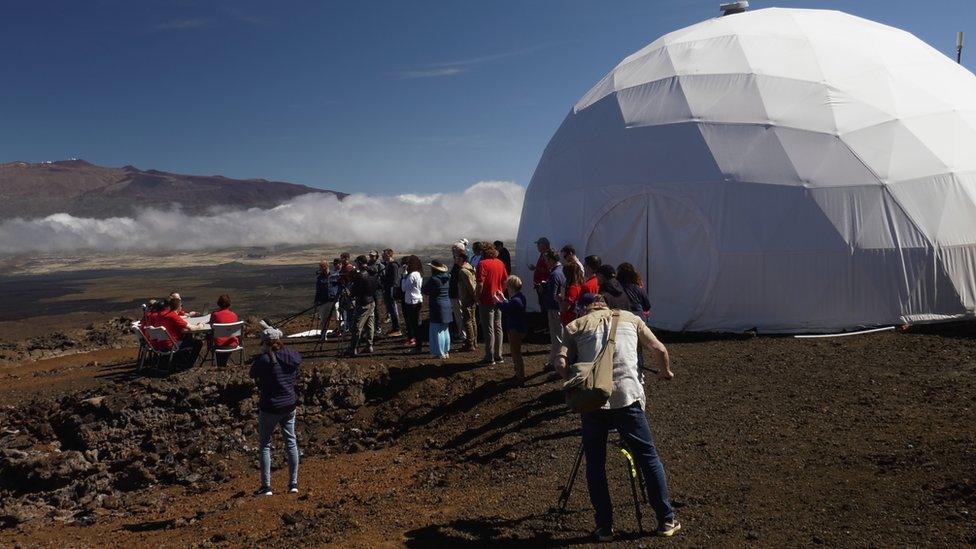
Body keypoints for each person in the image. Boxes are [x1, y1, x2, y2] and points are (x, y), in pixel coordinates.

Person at [556, 294, 679, 540]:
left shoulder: (575, 325)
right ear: (606, 305)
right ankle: (666, 520)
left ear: (585, 309)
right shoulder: (631, 319)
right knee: (648, 458)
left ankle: (604, 526)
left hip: (593, 401)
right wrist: (665, 372)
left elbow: (560, 362)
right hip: (627, 398)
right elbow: (659, 349)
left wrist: (574, 382)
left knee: (595, 465)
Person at [249, 324, 301, 496]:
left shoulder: (264, 360)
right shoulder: (291, 356)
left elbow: (252, 373)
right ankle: (293, 484)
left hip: (270, 407)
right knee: (291, 441)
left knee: (265, 445)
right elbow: (297, 360)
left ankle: (266, 486)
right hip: (289, 405)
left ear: (265, 342)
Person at [476, 243, 508, 364]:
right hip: (497, 299)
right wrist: (501, 291)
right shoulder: (500, 263)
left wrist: (477, 297)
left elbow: (480, 284)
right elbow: (505, 280)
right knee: (498, 326)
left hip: (486, 299)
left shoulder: (482, 264)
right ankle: (498, 355)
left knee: (488, 327)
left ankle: (489, 357)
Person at [148, 295, 203, 366]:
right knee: (198, 343)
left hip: (159, 345)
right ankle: (189, 363)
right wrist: (200, 325)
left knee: (186, 337)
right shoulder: (172, 315)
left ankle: (179, 360)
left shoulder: (159, 314)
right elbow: (192, 328)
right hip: (171, 345)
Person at [494, 275, 527, 382]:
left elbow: (507, 309)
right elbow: (509, 305)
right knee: (515, 351)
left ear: (511, 287)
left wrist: (498, 301)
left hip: (515, 329)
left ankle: (520, 375)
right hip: (518, 327)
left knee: (516, 352)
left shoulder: (516, 301)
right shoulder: (519, 297)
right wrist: (503, 299)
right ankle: (518, 373)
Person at [344, 255, 379, 356]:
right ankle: (369, 346)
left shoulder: (360, 276)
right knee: (370, 324)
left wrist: (349, 294)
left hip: (363, 303)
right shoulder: (373, 272)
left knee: (357, 326)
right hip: (371, 301)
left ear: (359, 263)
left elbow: (354, 292)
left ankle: (353, 348)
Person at [540, 250, 566, 370]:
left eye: (547, 260)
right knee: (560, 334)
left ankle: (555, 362)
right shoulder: (562, 271)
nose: (546, 263)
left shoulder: (554, 274)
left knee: (556, 336)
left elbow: (553, 295)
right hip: (560, 308)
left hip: (554, 308)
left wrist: (543, 289)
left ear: (551, 260)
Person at [422, 260, 453, 359]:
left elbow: (425, 290)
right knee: (445, 329)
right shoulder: (447, 278)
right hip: (447, 304)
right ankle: (446, 351)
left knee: (437, 330)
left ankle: (439, 352)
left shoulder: (434, 279)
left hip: (437, 306)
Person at [454, 251, 478, 352]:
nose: (455, 259)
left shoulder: (463, 271)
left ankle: (470, 343)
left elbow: (470, 286)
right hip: (470, 298)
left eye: (457, 258)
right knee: (472, 320)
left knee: (468, 321)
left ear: (461, 259)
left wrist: (475, 297)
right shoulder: (470, 268)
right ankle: (474, 341)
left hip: (467, 298)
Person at [401, 255, 424, 353]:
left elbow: (404, 288)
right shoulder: (419, 274)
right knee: (417, 323)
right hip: (417, 299)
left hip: (412, 301)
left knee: (414, 324)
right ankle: (418, 344)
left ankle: (418, 346)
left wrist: (403, 276)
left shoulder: (412, 275)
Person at [209, 293, 239, 368]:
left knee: (209, 337)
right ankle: (223, 364)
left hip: (219, 345)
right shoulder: (234, 315)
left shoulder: (215, 315)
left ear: (219, 304)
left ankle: (220, 364)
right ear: (229, 304)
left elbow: (211, 325)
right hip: (232, 344)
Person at [314, 260, 339, 342]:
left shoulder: (335, 275)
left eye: (322, 267)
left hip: (335, 300)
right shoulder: (320, 278)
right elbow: (318, 291)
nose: (321, 269)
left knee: (338, 318)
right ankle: (323, 335)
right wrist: (316, 301)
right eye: (320, 267)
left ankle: (340, 332)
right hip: (324, 301)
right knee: (324, 320)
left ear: (326, 266)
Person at [380, 249, 402, 337]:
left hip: (390, 290)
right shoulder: (390, 265)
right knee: (391, 309)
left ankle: (397, 329)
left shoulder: (393, 265)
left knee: (393, 309)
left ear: (389, 255)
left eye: (384, 255)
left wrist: (391, 290)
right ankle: (395, 328)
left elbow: (394, 280)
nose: (382, 256)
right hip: (389, 289)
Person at [528, 237, 552, 307]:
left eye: (539, 244)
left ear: (544, 245)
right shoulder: (542, 254)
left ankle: (545, 318)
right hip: (540, 284)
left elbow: (549, 270)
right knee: (542, 303)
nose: (537, 246)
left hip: (544, 286)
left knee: (544, 304)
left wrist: (536, 268)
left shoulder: (547, 255)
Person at [560, 261, 585, 326]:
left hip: (570, 320)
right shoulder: (580, 285)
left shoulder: (573, 288)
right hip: (574, 319)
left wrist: (560, 299)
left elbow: (565, 307)